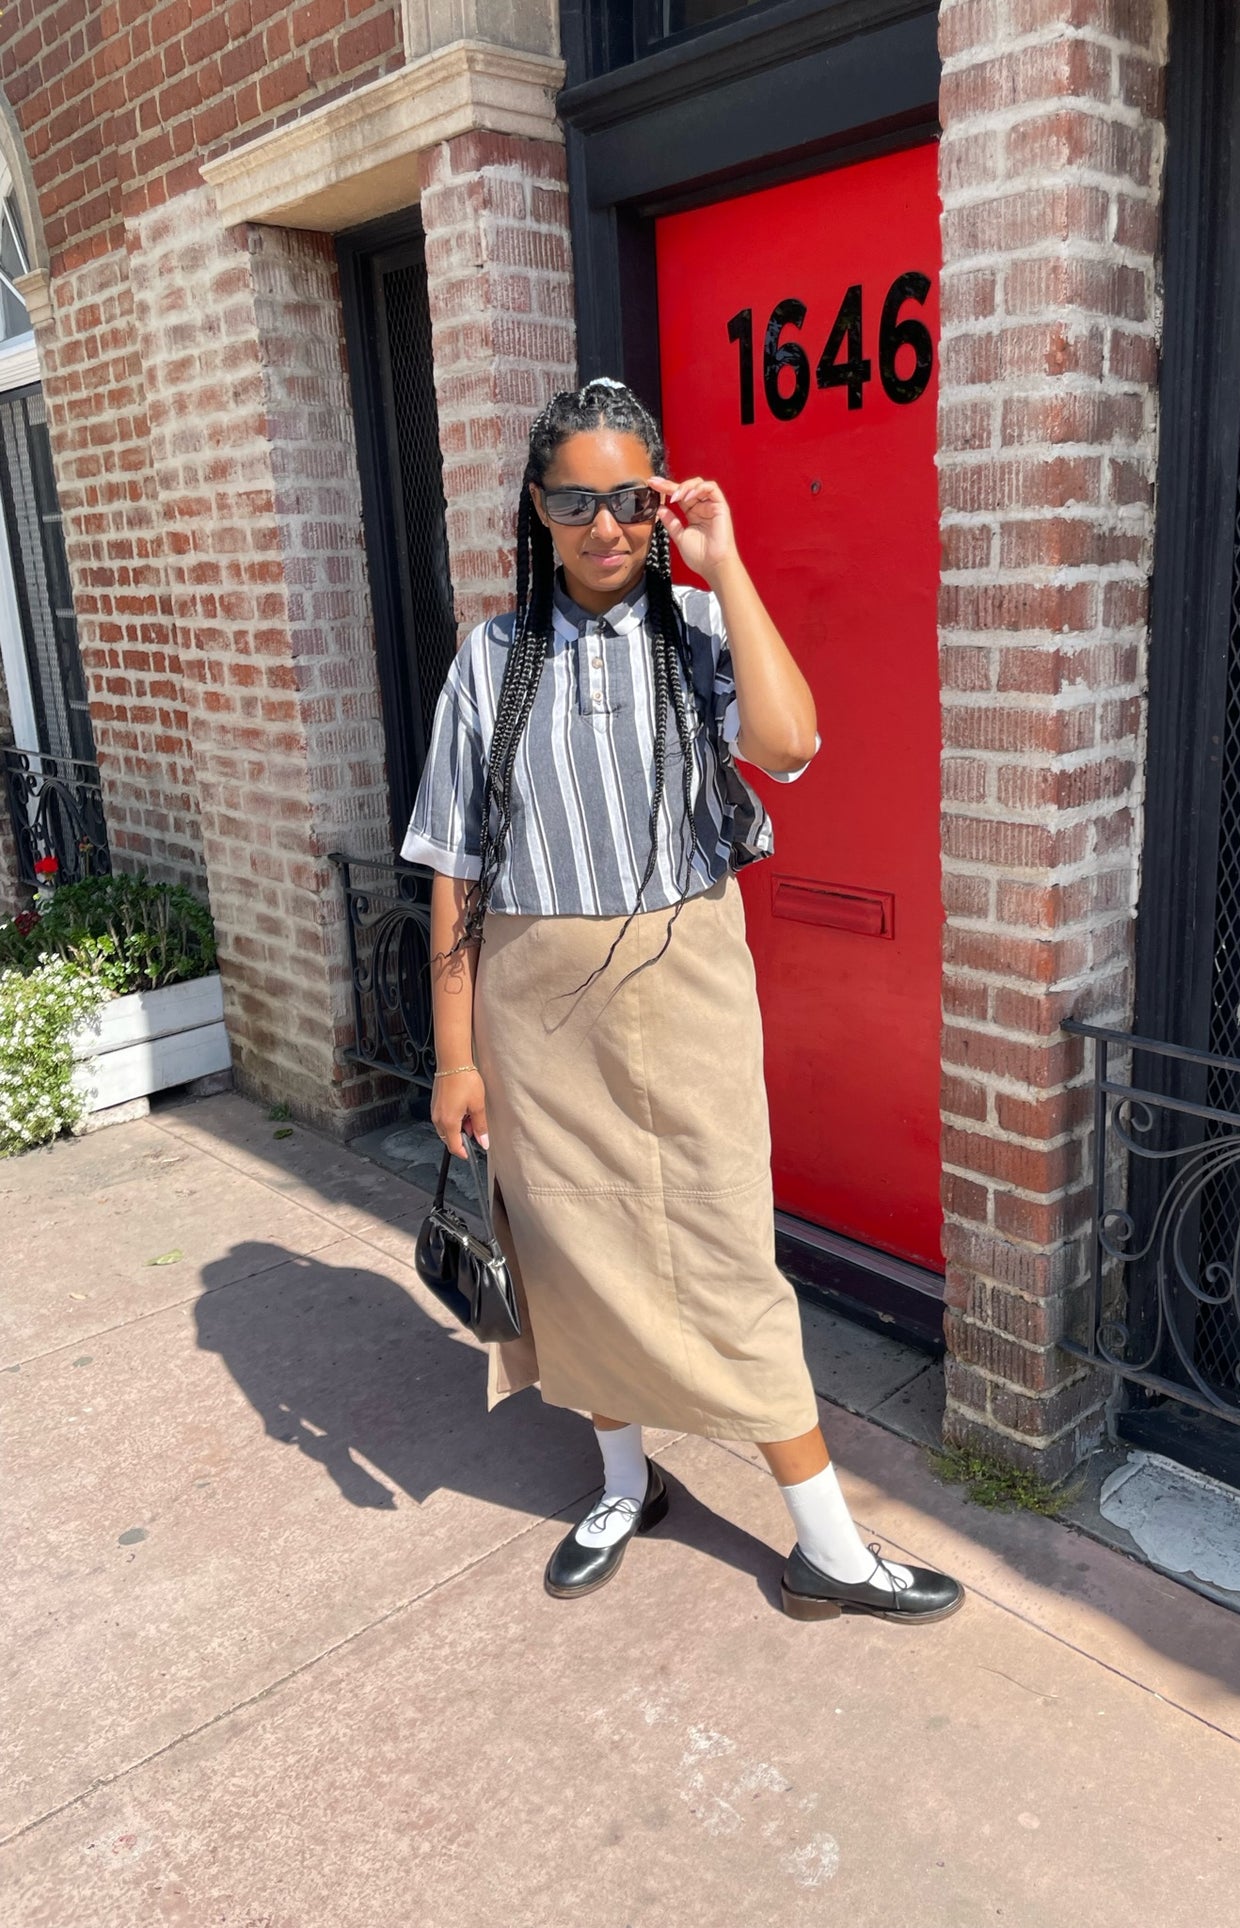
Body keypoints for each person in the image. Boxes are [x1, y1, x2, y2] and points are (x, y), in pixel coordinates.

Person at [402, 377, 962, 1625]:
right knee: (570, 1253)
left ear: (660, 503)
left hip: (686, 985)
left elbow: (789, 741)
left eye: (629, 497)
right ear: (538, 510)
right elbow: (455, 870)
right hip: (533, 1012)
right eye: (574, 498)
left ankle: (826, 1543)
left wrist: (727, 564)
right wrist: (455, 1057)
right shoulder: (490, 661)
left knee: (721, 1254)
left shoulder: (695, 628)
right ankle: (621, 1481)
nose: (603, 523)